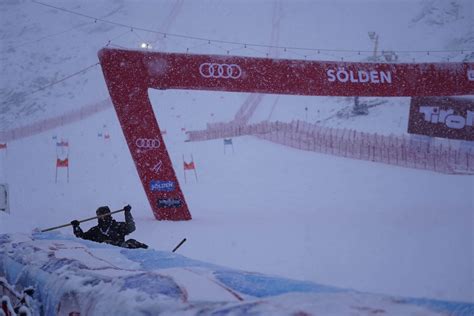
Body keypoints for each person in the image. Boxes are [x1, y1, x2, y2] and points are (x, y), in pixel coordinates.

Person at [71, 205, 148, 249]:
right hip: (106, 258)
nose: (102, 217)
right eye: (99, 215)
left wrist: (127, 213)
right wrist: (76, 227)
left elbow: (131, 228)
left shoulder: (118, 226)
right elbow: (81, 238)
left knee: (131, 242)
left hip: (121, 256)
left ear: (109, 214)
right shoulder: (95, 230)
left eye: (105, 214)